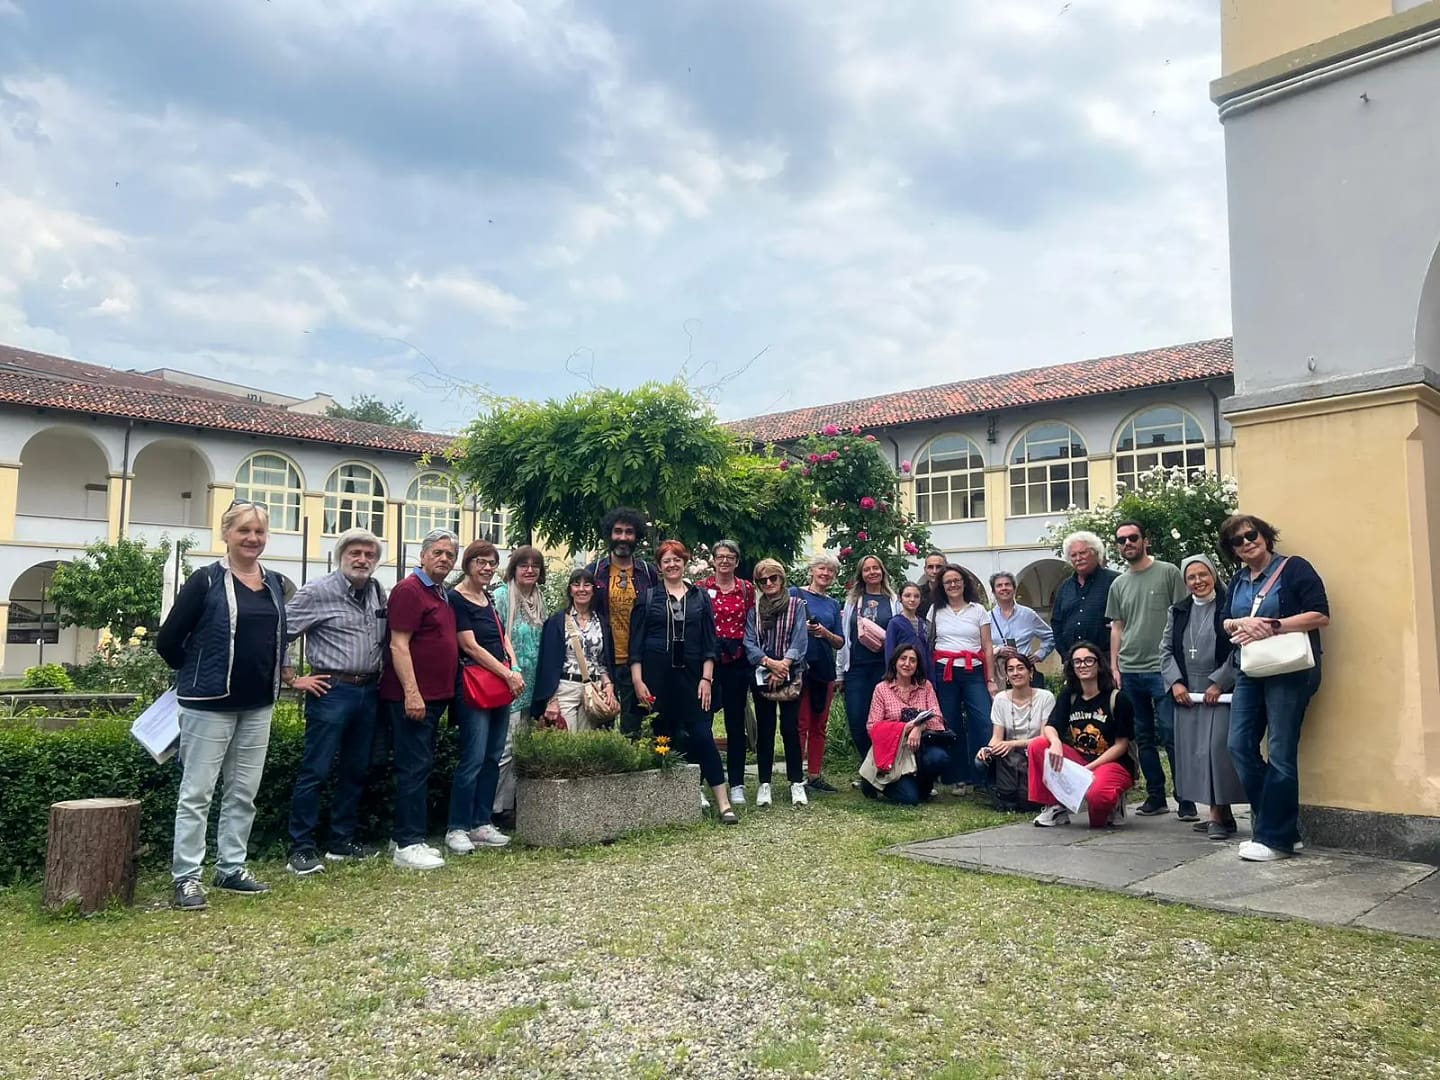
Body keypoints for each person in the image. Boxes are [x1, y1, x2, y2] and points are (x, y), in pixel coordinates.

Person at [157, 501, 287, 910]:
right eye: (244, 530)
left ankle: (231, 867)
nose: (252, 538)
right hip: (208, 704)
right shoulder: (205, 581)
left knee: (243, 792)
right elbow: (168, 641)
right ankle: (187, 877)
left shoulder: (276, 584)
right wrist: (195, 673)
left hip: (258, 703)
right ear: (226, 534)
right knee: (197, 793)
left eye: (259, 532)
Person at [1220, 514, 1329, 862]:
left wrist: (1273, 625)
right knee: (1238, 746)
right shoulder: (1238, 580)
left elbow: (1320, 615)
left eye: (1252, 534)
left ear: (1265, 536)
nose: (1247, 542)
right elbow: (1226, 621)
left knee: (1281, 751)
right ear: (1233, 551)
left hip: (1289, 670)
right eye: (1238, 540)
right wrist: (1239, 624)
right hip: (1250, 669)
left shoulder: (1294, 569)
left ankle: (1275, 839)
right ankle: (1281, 828)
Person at [282, 527, 387, 876]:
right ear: (341, 555)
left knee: (356, 769)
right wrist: (292, 678)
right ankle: (301, 847)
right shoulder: (317, 591)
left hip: (368, 690)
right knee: (316, 769)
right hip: (332, 689)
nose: (362, 560)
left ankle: (342, 841)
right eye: (355, 553)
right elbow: (279, 632)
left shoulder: (376, 592)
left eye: (369, 555)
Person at [630, 540, 738, 823]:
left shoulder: (699, 597)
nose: (672, 565)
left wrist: (707, 678)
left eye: (677, 559)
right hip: (657, 679)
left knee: (703, 737)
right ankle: (671, 804)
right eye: (666, 560)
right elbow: (636, 644)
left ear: (685, 562)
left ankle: (723, 803)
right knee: (663, 737)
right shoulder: (648, 596)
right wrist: (638, 681)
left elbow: (709, 642)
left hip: (694, 679)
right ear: (659, 566)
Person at [381, 529, 460, 871]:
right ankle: (407, 843)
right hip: (412, 699)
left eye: (450, 555)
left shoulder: (440, 593)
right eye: (439, 553)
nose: (444, 559)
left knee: (420, 765)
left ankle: (407, 835)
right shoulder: (409, 590)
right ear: (424, 555)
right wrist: (412, 693)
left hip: (434, 698)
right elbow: (399, 645)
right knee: (413, 767)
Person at [1104, 521, 1189, 818]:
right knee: (1142, 737)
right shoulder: (1118, 584)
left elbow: (1183, 617)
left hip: (1163, 669)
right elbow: (1117, 626)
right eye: (1121, 540)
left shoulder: (1168, 572)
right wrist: (1114, 666)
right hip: (1130, 669)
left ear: (1145, 540)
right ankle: (1156, 796)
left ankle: (1186, 798)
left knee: (1172, 734)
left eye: (1132, 538)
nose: (1127, 543)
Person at [1161, 554, 1245, 840]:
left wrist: (1219, 682)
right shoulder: (1178, 610)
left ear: (1213, 575)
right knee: (1195, 756)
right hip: (1188, 694)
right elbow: (1166, 650)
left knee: (1216, 753)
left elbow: (1239, 650)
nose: (1198, 581)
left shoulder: (1228, 607)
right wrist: (1175, 683)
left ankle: (1217, 816)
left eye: (1203, 575)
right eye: (1192, 577)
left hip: (1219, 693)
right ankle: (1221, 815)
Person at [448, 540, 523, 856]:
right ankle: (457, 826)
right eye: (480, 561)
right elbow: (469, 646)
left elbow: (502, 636)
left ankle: (481, 822)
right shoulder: (457, 598)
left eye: (492, 562)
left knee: (493, 755)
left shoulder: (487, 598)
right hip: (476, 686)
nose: (487, 568)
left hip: (500, 688)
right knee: (473, 757)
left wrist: (514, 667)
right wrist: (507, 674)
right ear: (467, 564)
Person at [1028, 642, 1136, 829]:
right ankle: (1056, 807)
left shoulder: (1117, 699)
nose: (1082, 665)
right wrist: (1055, 743)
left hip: (1112, 763)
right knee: (1039, 744)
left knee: (1097, 812)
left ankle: (1113, 801)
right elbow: (1051, 726)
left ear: (1099, 664)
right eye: (1077, 662)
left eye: (1088, 660)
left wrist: (1089, 769)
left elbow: (1121, 745)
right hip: (1080, 760)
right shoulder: (1069, 695)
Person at [586, 507, 661, 739]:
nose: (623, 537)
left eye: (629, 532)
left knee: (632, 727)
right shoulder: (594, 572)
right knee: (601, 724)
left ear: (637, 536)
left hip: (637, 661)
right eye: (618, 531)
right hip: (602, 660)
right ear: (609, 534)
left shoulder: (648, 574)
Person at [743, 558, 810, 807]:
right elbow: (749, 642)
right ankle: (764, 782)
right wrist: (770, 664)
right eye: (763, 580)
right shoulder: (754, 611)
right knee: (766, 730)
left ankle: (796, 782)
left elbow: (800, 640)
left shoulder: (796, 605)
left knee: (790, 729)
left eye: (774, 578)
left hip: (791, 674)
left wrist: (783, 666)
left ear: (782, 579)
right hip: (763, 676)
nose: (769, 583)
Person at [927, 563, 997, 794]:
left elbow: (987, 647)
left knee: (984, 720)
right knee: (950, 722)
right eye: (948, 582)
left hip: (973, 670)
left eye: (957, 580)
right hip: (944, 670)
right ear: (942, 586)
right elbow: (929, 642)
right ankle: (958, 777)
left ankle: (984, 775)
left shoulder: (978, 610)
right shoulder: (935, 611)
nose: (953, 585)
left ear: (964, 583)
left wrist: (991, 678)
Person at [490, 545, 547, 827]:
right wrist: (510, 672)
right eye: (523, 564)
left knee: (522, 747)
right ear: (513, 568)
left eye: (535, 565)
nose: (529, 569)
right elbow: (498, 637)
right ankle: (494, 808)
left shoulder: (539, 600)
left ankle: (512, 805)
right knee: (506, 747)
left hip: (533, 686)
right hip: (509, 683)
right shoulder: (502, 597)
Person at [698, 540, 756, 804]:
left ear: (736, 561)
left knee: (735, 724)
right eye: (720, 556)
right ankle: (701, 781)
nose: (724, 561)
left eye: (730, 557)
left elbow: (754, 622)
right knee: (703, 723)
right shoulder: (700, 589)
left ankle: (736, 783)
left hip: (737, 661)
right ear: (713, 559)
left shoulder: (746, 589)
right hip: (708, 662)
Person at [858, 644, 949, 804]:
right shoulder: (882, 689)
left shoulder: (925, 687)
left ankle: (923, 787)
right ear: (895, 662)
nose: (907, 664)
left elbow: (938, 721)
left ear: (917, 665)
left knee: (939, 758)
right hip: (893, 751)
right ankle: (871, 782)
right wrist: (905, 728)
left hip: (921, 747)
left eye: (912, 660)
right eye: (903, 659)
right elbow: (872, 726)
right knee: (909, 799)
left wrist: (919, 728)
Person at [532, 569, 617, 731]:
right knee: (565, 745)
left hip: (594, 690)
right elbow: (548, 664)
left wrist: (609, 685)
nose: (582, 589)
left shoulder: (602, 623)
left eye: (587, 585)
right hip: (565, 687)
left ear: (593, 590)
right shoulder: (557, 622)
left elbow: (602, 661)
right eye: (576, 585)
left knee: (588, 746)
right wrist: (551, 699)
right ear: (570, 590)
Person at [977, 653, 1056, 811]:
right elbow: (997, 737)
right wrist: (987, 749)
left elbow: (1044, 739)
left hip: (1036, 751)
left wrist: (1013, 743)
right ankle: (997, 792)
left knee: (1027, 804)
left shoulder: (1045, 698)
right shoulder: (1000, 699)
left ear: (1030, 672)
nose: (1015, 673)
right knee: (980, 761)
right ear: (1006, 676)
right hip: (1010, 754)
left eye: (1020, 668)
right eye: (1011, 669)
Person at [838, 555, 898, 759]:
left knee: (886, 719)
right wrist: (840, 672)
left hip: (884, 669)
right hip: (857, 668)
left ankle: (886, 764)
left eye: (876, 568)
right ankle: (869, 765)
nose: (872, 572)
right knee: (857, 719)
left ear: (882, 572)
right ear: (861, 574)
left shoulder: (893, 601)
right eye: (867, 569)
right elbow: (845, 636)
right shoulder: (852, 601)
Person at [792, 554, 844, 793]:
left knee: (819, 724)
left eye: (830, 571)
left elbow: (840, 642)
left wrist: (824, 632)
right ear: (812, 570)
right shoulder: (795, 594)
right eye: (821, 569)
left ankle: (815, 774)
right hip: (801, 667)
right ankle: (796, 775)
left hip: (824, 669)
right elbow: (782, 624)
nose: (825, 574)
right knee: (800, 722)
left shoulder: (833, 604)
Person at [1050, 531, 1119, 661]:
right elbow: (1056, 623)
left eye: (1083, 553)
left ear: (1096, 553)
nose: (1078, 558)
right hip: (1074, 662)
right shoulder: (1065, 588)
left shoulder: (1115, 582)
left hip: (1107, 661)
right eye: (1073, 555)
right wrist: (1066, 655)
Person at [988, 571, 1054, 688]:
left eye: (1007, 584)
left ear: (1014, 588)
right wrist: (998, 650)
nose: (1004, 588)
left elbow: (1051, 637)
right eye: (999, 585)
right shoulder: (987, 617)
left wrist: (1040, 654)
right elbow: (979, 645)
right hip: (1000, 673)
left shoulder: (1028, 614)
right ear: (993, 591)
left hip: (1025, 670)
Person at [885, 581, 931, 672]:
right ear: (900, 598)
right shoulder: (895, 623)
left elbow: (927, 652)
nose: (912, 599)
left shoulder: (922, 623)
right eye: (907, 595)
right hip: (902, 673)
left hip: (921, 675)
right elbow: (890, 652)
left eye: (916, 596)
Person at [916, 550, 948, 619]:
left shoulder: (953, 593)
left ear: (946, 568)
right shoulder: (917, 594)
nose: (934, 571)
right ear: (925, 570)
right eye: (930, 567)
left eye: (939, 567)